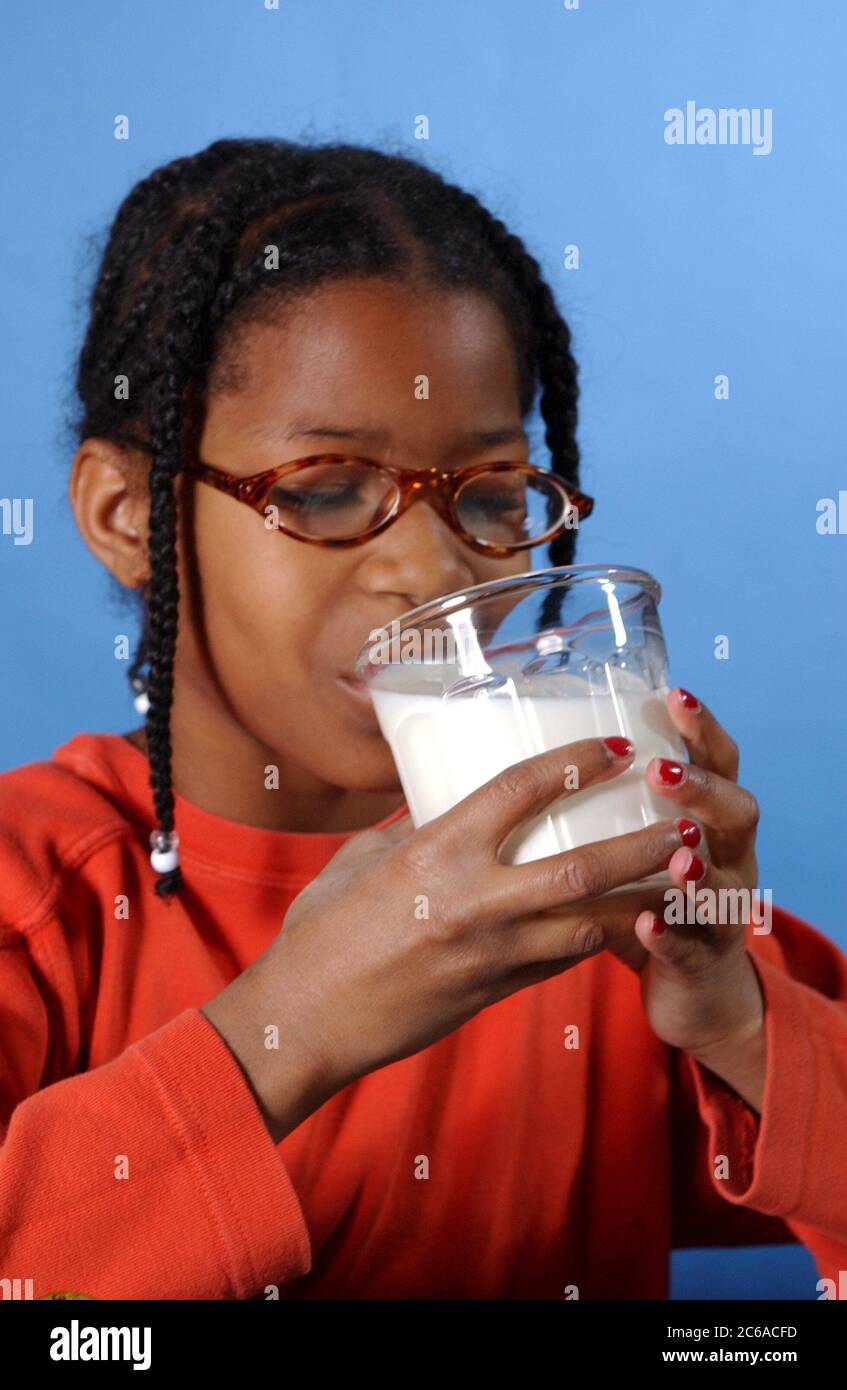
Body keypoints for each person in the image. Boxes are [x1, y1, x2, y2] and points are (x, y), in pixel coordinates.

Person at [1, 137, 844, 1301]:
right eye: (326, 489)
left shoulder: (587, 881)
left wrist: (738, 1022)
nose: (431, 568)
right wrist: (287, 1030)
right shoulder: (36, 902)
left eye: (491, 494)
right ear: (122, 515)